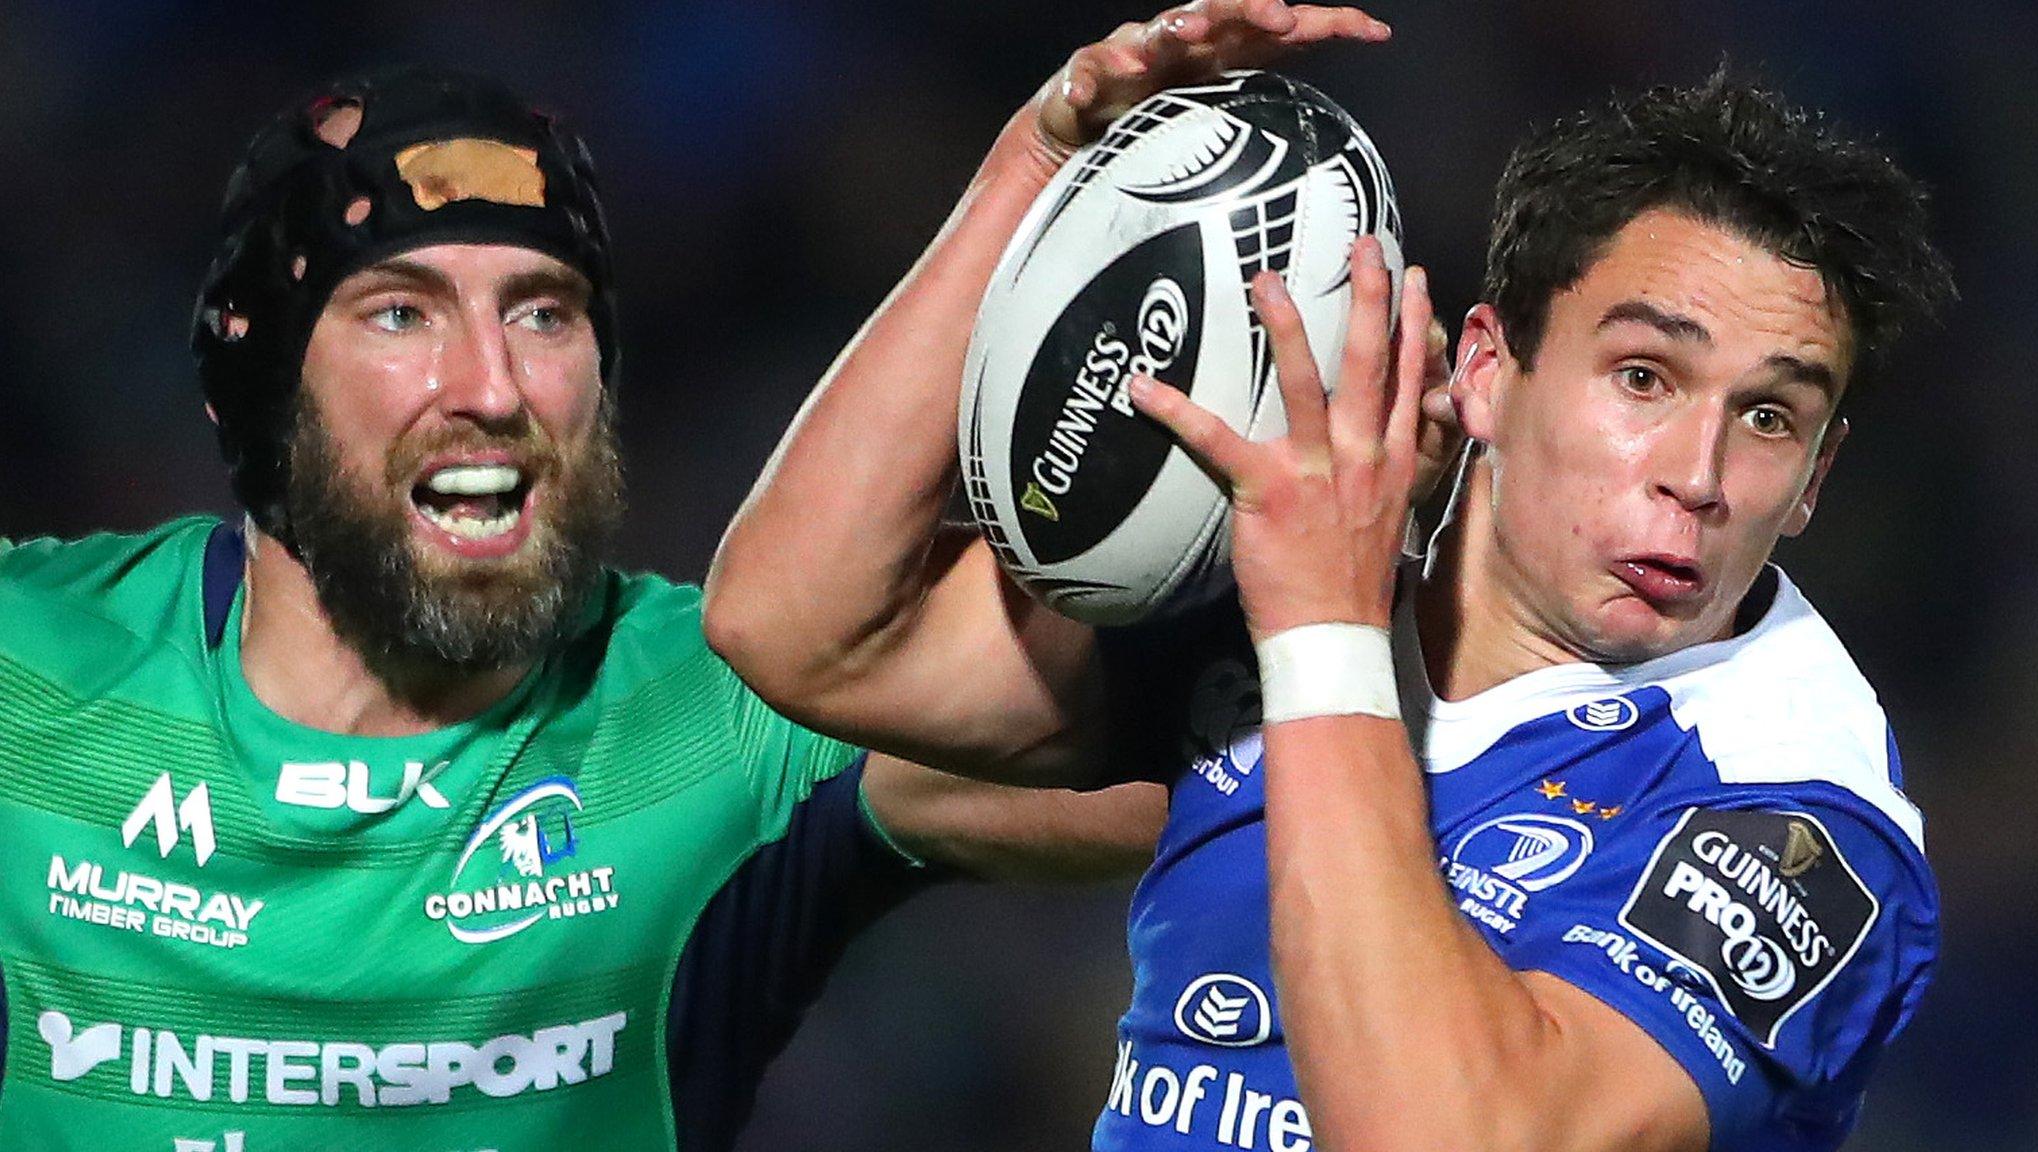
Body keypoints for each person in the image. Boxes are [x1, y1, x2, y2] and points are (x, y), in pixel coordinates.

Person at [705, 1, 1954, 1149]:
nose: (1699, 472)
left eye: (1770, 418)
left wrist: (1318, 625)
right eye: (1642, 377)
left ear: (1813, 481)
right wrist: (1032, 170)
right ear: (1483, 369)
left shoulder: (1796, 813)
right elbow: (801, 630)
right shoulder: (1315, 570)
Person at [0, 65, 1165, 1150]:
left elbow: (1246, 756)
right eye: (402, 313)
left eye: (543, 312)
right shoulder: (31, 679)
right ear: (252, 381)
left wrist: (1034, 178)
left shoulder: (729, 721)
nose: (494, 387)